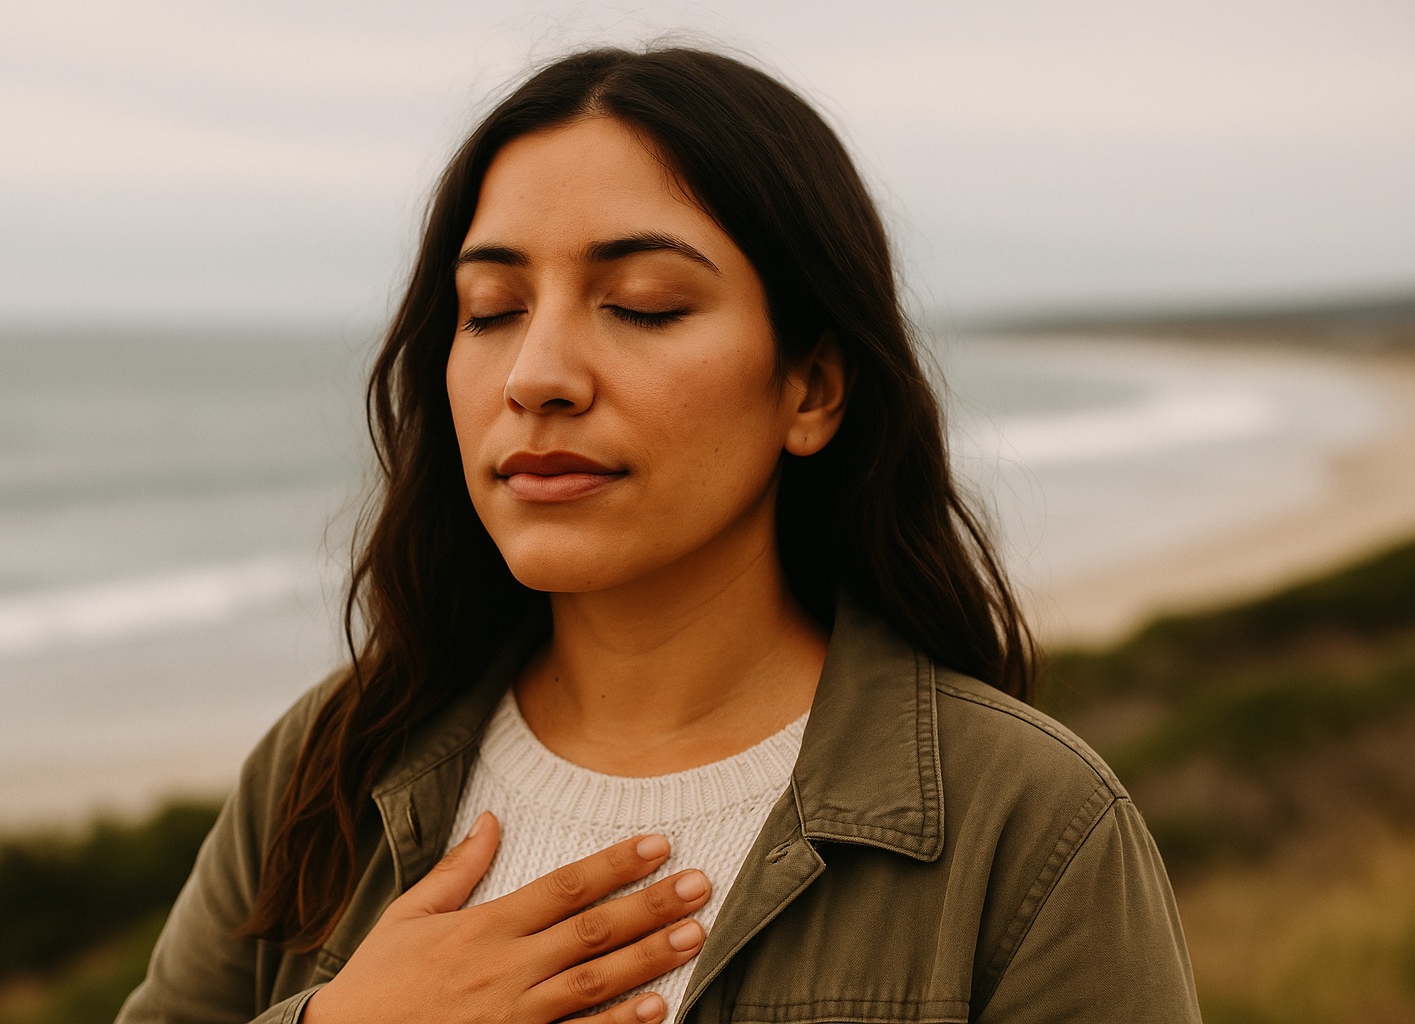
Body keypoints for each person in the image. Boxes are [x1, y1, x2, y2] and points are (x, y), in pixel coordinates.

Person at [117, 45, 1201, 1024]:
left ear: (811, 387)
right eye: (492, 309)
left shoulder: (1031, 825)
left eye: (640, 305)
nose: (536, 374)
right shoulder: (331, 759)